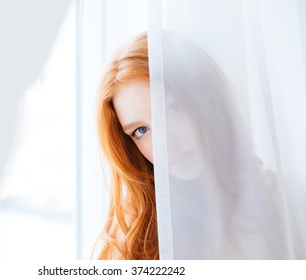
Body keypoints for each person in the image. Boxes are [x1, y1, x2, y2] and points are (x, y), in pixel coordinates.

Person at [94, 31, 306, 259]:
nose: (165, 143)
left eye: (172, 109)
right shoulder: (135, 237)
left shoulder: (283, 197)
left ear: (205, 98)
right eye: (141, 130)